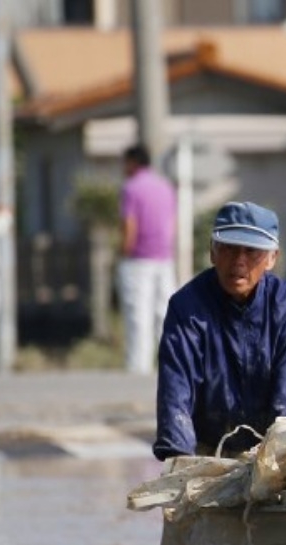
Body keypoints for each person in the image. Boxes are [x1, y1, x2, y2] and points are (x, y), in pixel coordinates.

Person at [151, 200, 286, 545]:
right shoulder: (187, 307)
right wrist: (183, 465)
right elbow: (176, 393)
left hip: (271, 446)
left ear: (272, 258)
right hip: (203, 446)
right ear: (211, 251)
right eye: (228, 250)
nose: (238, 262)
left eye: (252, 253)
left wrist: (272, 462)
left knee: (273, 543)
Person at [118, 144, 177, 375]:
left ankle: (138, 367)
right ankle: (170, 365)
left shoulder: (130, 188)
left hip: (138, 259)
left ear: (132, 162)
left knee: (138, 314)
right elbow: (172, 223)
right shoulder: (165, 186)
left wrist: (124, 251)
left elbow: (129, 224)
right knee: (165, 314)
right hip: (164, 257)